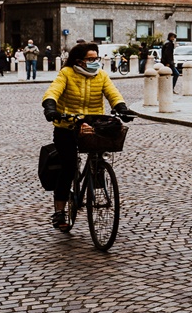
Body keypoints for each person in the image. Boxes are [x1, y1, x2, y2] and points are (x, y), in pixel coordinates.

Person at [41, 42, 130, 231]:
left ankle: (96, 174)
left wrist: (121, 107)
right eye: (90, 59)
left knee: (98, 157)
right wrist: (50, 107)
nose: (95, 62)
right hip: (67, 126)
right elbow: (53, 91)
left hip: (93, 125)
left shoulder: (101, 75)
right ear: (79, 61)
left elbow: (113, 93)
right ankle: (59, 211)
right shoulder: (66, 74)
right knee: (68, 166)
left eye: (96, 58)